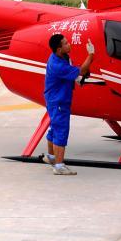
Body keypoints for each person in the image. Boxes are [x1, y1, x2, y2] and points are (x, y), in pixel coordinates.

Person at [44, 33, 95, 175]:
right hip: (59, 101)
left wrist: (77, 78)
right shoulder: (58, 65)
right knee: (61, 130)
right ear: (59, 49)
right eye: (65, 43)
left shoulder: (60, 57)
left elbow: (75, 73)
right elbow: (82, 70)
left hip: (54, 98)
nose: (69, 44)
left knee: (54, 128)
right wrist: (91, 55)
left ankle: (51, 157)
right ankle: (59, 166)